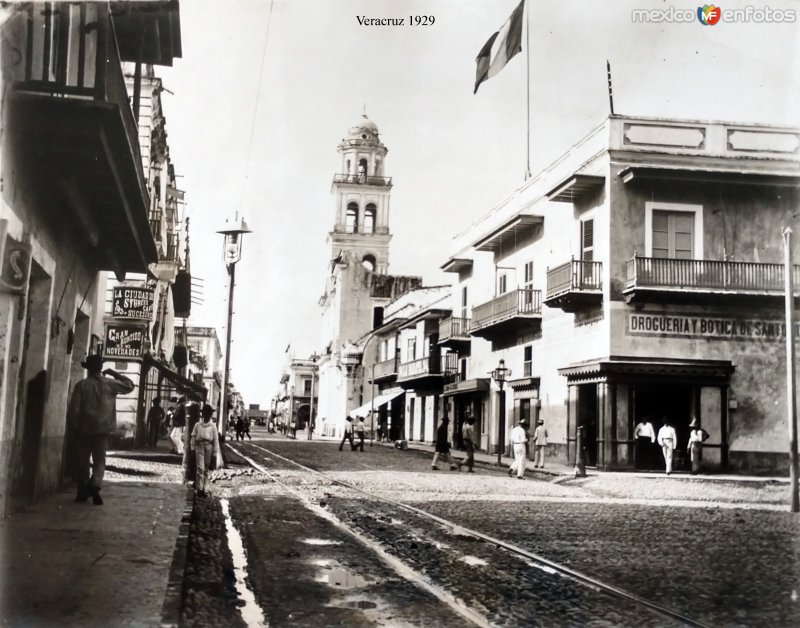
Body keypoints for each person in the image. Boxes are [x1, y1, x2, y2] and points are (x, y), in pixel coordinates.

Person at [67, 354, 135, 505]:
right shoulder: (110, 384)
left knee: (83, 460)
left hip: (84, 429)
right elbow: (130, 385)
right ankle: (95, 485)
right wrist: (114, 373)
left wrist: (73, 427)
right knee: (100, 461)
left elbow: (74, 410)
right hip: (103, 430)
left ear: (88, 369)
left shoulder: (81, 385)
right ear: (100, 368)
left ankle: (83, 490)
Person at [190, 404, 220, 497]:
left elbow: (216, 440)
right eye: (205, 413)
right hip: (199, 447)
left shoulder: (213, 426)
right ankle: (199, 489)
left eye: (208, 413)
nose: (206, 415)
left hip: (209, 447)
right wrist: (192, 448)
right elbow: (193, 437)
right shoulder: (197, 425)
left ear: (210, 415)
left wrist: (215, 454)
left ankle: (204, 488)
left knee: (206, 469)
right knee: (200, 468)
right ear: (202, 415)